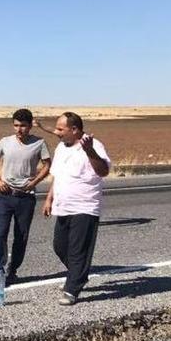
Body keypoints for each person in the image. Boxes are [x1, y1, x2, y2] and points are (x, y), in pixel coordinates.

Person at [42, 112, 110, 305]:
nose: (57, 132)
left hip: (85, 206)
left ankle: (72, 289)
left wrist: (89, 151)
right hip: (63, 206)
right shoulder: (61, 148)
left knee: (78, 250)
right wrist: (49, 199)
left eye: (60, 129)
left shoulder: (94, 146)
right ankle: (78, 276)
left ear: (74, 130)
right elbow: (57, 175)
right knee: (60, 246)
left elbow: (103, 171)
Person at [0, 108, 51, 285]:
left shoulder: (39, 143)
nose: (19, 129)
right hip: (5, 194)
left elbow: (47, 165)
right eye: (16, 125)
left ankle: (13, 270)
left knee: (21, 236)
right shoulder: (5, 142)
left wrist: (35, 182)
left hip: (26, 197)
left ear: (30, 126)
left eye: (23, 126)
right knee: (0, 233)